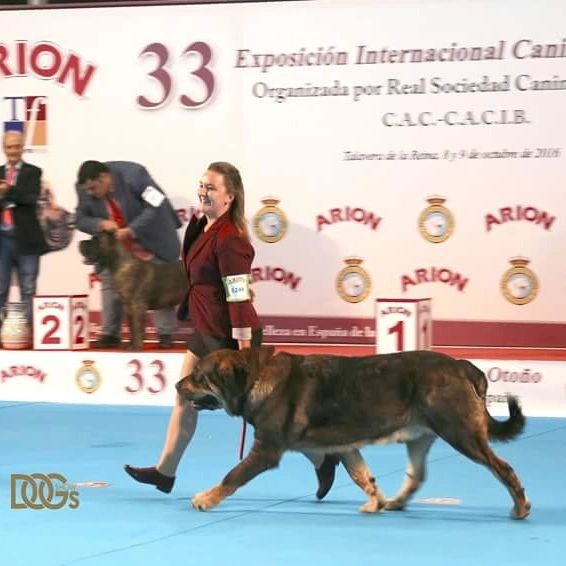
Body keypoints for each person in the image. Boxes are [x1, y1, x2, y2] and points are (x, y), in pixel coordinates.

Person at [124, 161, 338, 500]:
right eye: (202, 185)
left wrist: (244, 355)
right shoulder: (200, 225)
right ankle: (165, 472)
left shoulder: (231, 240)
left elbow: (238, 296)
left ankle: (323, 456)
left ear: (230, 197)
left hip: (232, 337)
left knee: (264, 420)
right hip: (204, 329)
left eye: (211, 187)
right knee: (184, 397)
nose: (203, 191)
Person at [75, 160, 181, 348]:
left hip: (150, 235)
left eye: (93, 188)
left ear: (104, 178)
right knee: (109, 278)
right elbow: (80, 218)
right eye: (87, 190)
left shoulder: (135, 176)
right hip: (117, 245)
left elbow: (157, 204)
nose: (90, 194)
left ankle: (165, 335)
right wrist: (99, 224)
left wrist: (131, 230)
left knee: (163, 279)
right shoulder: (84, 187)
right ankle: (110, 333)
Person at [0, 130, 49, 327]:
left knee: (28, 288)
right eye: (9, 147)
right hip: (2, 240)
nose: (13, 151)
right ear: (4, 149)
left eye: (17, 147)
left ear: (23, 148)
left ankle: (28, 330)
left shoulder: (33, 172)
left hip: (26, 240)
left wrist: (6, 191)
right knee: (0, 289)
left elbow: (30, 199)